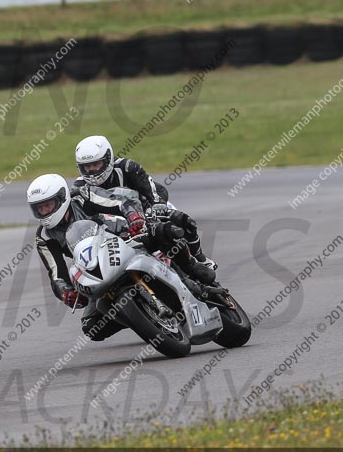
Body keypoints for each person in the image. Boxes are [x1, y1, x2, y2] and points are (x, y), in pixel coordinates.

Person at [28, 173, 214, 341]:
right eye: (39, 208)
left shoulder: (83, 196)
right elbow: (56, 274)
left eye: (48, 205)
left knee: (166, 232)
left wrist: (133, 216)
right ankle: (141, 316)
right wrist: (65, 292)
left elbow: (119, 201)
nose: (44, 212)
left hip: (127, 235)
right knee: (92, 327)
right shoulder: (44, 236)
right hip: (98, 268)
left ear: (62, 198)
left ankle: (193, 269)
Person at [73, 135, 216, 270]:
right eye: (87, 167)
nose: (91, 171)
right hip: (114, 229)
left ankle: (199, 258)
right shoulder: (79, 188)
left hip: (147, 215)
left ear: (108, 159)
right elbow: (83, 220)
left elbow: (155, 189)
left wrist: (157, 207)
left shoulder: (127, 167)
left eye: (96, 164)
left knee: (185, 222)